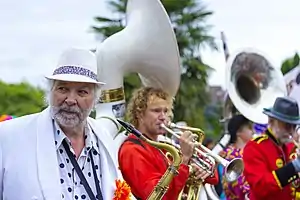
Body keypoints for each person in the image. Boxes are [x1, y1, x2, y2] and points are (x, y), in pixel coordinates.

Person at [0, 48, 133, 200]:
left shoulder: (103, 137)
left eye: (82, 92)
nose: (70, 100)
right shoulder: (8, 136)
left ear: (95, 99)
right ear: (51, 91)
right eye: (63, 89)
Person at [118, 87, 219, 199]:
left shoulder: (165, 146)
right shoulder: (132, 150)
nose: (163, 117)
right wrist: (184, 159)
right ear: (139, 114)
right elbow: (156, 195)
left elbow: (213, 179)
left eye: (165, 111)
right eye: (156, 111)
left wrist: (205, 171)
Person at [243, 96, 300, 200]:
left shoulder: (290, 146)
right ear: (271, 121)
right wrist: (294, 167)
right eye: (287, 125)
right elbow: (261, 187)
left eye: (294, 126)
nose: (292, 132)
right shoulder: (255, 147)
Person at [222, 114, 253, 200]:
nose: (253, 131)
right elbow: (237, 185)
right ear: (238, 132)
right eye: (249, 128)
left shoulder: (248, 152)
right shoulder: (231, 155)